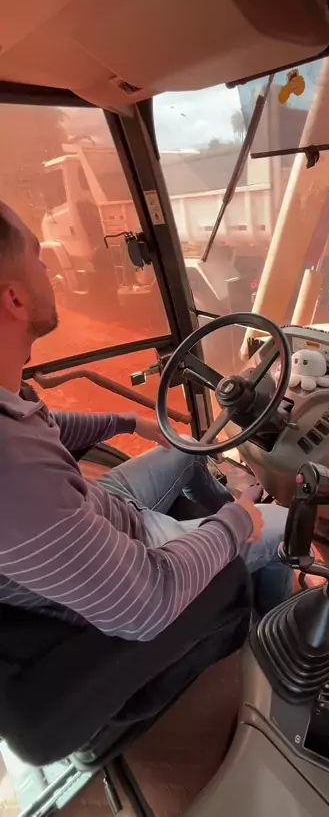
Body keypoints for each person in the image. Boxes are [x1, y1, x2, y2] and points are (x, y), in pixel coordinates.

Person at [0, 201, 293, 641]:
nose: (49, 270)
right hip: (133, 554)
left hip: (98, 507)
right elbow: (144, 607)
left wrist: (129, 422)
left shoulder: (10, 411)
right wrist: (236, 524)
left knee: (186, 449)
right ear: (15, 299)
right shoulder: (13, 475)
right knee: (285, 524)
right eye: (38, 257)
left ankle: (220, 530)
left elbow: (44, 427)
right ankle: (270, 634)